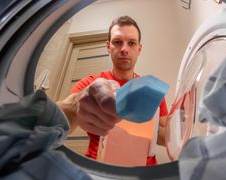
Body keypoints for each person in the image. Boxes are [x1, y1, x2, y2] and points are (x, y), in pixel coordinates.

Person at [57, 15, 168, 166]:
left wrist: (180, 122)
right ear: (108, 46)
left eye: (131, 43)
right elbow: (58, 122)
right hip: (99, 167)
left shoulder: (150, 91)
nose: (124, 49)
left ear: (139, 49)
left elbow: (164, 137)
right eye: (117, 42)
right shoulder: (90, 83)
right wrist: (77, 104)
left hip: (143, 171)